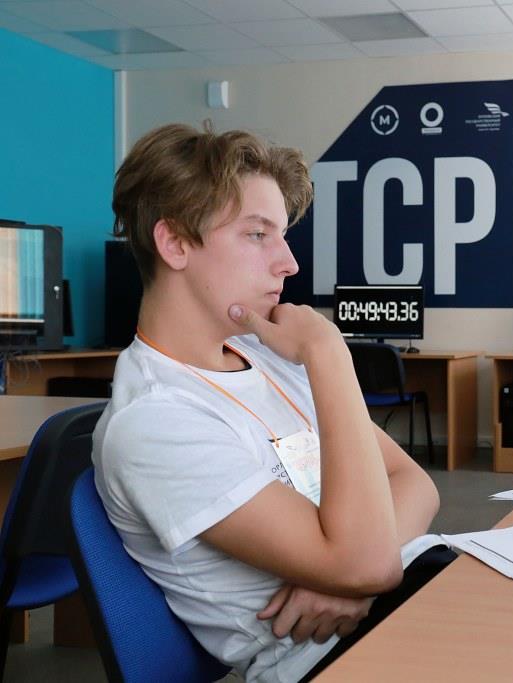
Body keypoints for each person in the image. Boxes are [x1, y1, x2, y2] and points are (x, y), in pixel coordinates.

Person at [92, 123, 453, 682]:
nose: (288, 263)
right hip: (333, 657)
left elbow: (415, 484)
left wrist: (345, 579)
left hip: (402, 590)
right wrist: (329, 355)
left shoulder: (269, 360)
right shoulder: (154, 421)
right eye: (258, 234)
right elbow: (368, 563)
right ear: (175, 244)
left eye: (281, 235)